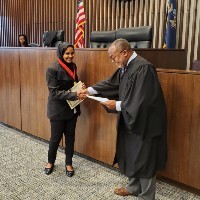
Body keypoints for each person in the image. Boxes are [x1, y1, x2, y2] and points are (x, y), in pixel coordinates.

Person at [84, 38, 167, 199]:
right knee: (132, 154)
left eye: (113, 57)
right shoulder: (126, 66)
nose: (113, 61)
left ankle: (146, 196)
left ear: (124, 52)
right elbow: (110, 84)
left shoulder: (144, 68)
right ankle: (134, 188)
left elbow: (143, 100)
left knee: (145, 160)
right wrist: (89, 90)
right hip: (132, 119)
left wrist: (118, 105)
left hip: (146, 123)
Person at [44, 42, 87, 177]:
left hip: (71, 108)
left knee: (70, 137)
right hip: (57, 109)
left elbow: (74, 83)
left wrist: (80, 86)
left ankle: (69, 163)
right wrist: (76, 94)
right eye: (67, 53)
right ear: (61, 53)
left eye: (72, 53)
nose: (70, 56)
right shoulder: (52, 68)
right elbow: (54, 93)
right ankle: (50, 162)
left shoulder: (73, 66)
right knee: (55, 139)